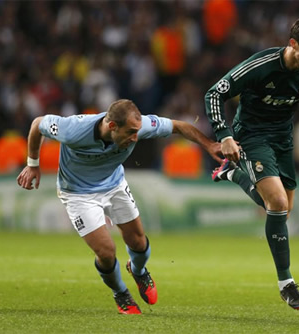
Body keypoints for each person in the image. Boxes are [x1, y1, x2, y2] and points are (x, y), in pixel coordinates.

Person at [17, 99, 222, 314]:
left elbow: (178, 126)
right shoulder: (72, 130)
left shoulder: (139, 127)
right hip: (78, 193)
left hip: (114, 186)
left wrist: (210, 145)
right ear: (112, 126)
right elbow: (38, 124)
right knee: (106, 252)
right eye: (131, 132)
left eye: (137, 131)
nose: (136, 137)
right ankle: (120, 292)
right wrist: (32, 165)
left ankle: (138, 271)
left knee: (139, 243)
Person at [205, 16, 299, 310]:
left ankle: (232, 174)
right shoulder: (261, 65)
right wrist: (225, 135)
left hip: (282, 140)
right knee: (278, 202)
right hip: (251, 136)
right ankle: (287, 284)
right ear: (293, 44)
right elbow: (215, 93)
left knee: (281, 210)